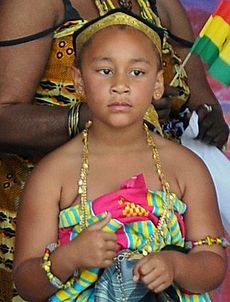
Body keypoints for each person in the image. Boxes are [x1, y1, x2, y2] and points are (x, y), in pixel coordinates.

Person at [0, 0, 229, 300]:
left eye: (136, 73)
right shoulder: (53, 175)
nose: (120, 84)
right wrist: (69, 258)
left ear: (157, 84)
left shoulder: (185, 169)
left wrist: (176, 264)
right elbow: (28, 283)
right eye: (105, 70)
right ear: (79, 81)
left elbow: (212, 263)